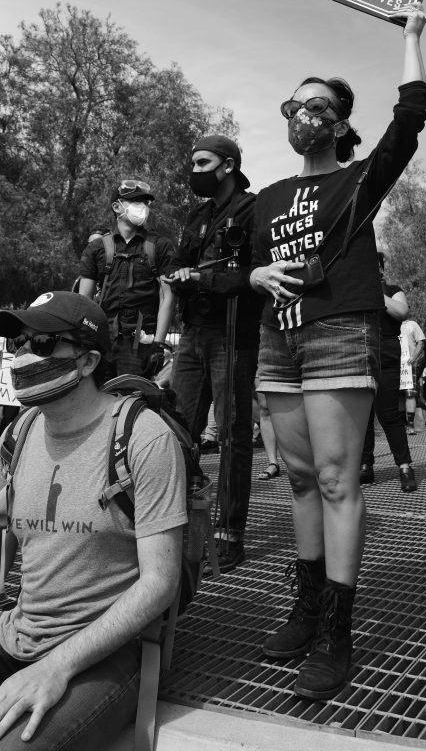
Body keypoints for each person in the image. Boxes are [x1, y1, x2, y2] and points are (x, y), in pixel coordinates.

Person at [249, 3, 426, 701]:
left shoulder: (356, 183)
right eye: (296, 104)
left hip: (337, 331)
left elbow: (408, 120)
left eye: (319, 106)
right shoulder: (267, 197)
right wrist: (255, 274)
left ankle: (335, 632)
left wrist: (411, 37)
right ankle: (303, 605)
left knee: (334, 479)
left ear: (340, 124)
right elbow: (236, 269)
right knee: (297, 480)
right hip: (277, 336)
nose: (305, 115)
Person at [0, 291, 185, 750]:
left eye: (42, 342)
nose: (23, 355)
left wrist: (57, 666)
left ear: (88, 362)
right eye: (18, 341)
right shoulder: (17, 433)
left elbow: (161, 583)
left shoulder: (142, 438)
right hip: (18, 633)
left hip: (105, 655)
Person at [165, 135, 263, 571]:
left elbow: (254, 274)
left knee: (232, 435)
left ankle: (229, 534)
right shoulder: (197, 215)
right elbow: (177, 267)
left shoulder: (252, 208)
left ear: (228, 165)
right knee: (178, 430)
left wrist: (204, 279)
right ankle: (177, 523)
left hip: (232, 336)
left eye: (202, 162)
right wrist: (181, 274)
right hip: (193, 335)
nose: (195, 169)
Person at [78, 180, 176, 378]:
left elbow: (168, 297)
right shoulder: (96, 248)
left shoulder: (160, 245)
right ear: (117, 207)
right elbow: (84, 301)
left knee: (131, 401)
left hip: (140, 343)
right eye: (135, 201)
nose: (143, 207)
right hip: (101, 340)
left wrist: (158, 344)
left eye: (145, 202)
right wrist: (84, 339)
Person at [359, 252, 417, 493]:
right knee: (363, 415)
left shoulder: (393, 289)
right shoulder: (356, 290)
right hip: (360, 350)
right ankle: (365, 465)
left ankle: (404, 467)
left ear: (381, 269)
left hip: (387, 351)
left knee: (389, 413)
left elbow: (401, 312)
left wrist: (376, 291)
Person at [399, 318, 425, 433]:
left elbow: (421, 341)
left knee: (410, 394)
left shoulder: (412, 324)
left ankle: (410, 425)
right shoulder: (391, 324)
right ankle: (401, 425)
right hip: (394, 364)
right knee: (398, 395)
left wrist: (414, 356)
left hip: (409, 366)